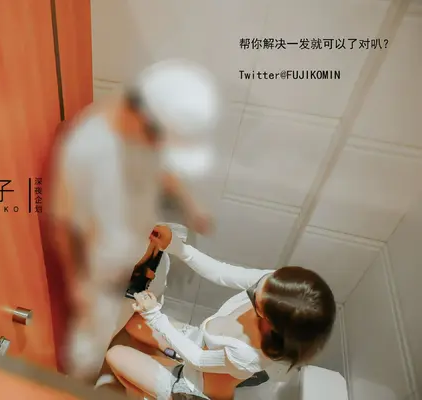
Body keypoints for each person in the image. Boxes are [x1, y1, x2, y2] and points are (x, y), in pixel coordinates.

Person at [47, 59, 221, 381]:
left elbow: (163, 171)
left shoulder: (146, 132)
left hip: (144, 250)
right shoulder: (86, 150)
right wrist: (76, 283)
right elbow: (63, 224)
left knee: (139, 306)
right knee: (90, 347)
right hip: (103, 270)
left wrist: (191, 207)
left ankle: (118, 341)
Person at [105, 225, 336, 400]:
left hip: (195, 385)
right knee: (133, 325)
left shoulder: (249, 356)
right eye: (261, 283)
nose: (254, 287)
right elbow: (221, 272)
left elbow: (198, 359)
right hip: (200, 345)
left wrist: (155, 316)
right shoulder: (272, 287)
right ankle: (167, 357)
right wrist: (177, 246)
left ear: (270, 323)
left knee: (115, 355)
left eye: (255, 298)